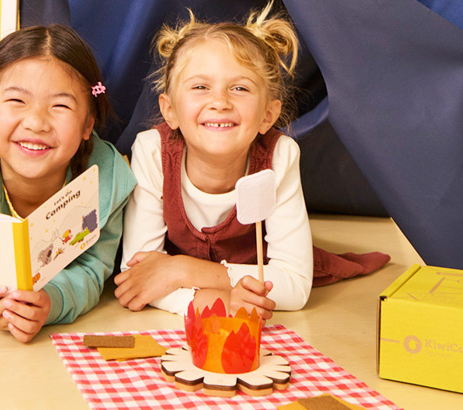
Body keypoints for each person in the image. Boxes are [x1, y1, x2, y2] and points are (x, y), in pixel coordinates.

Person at [115, 3, 389, 319]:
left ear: (267, 115)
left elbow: (295, 286)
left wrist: (179, 270)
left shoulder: (279, 156)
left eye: (240, 88)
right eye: (200, 87)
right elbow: (138, 277)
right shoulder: (151, 152)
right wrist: (209, 301)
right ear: (170, 110)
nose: (220, 102)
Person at [0, 25, 136, 343]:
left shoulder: (109, 178)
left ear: (88, 123)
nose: (36, 122)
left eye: (60, 106)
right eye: (17, 100)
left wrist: (52, 301)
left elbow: (93, 267)